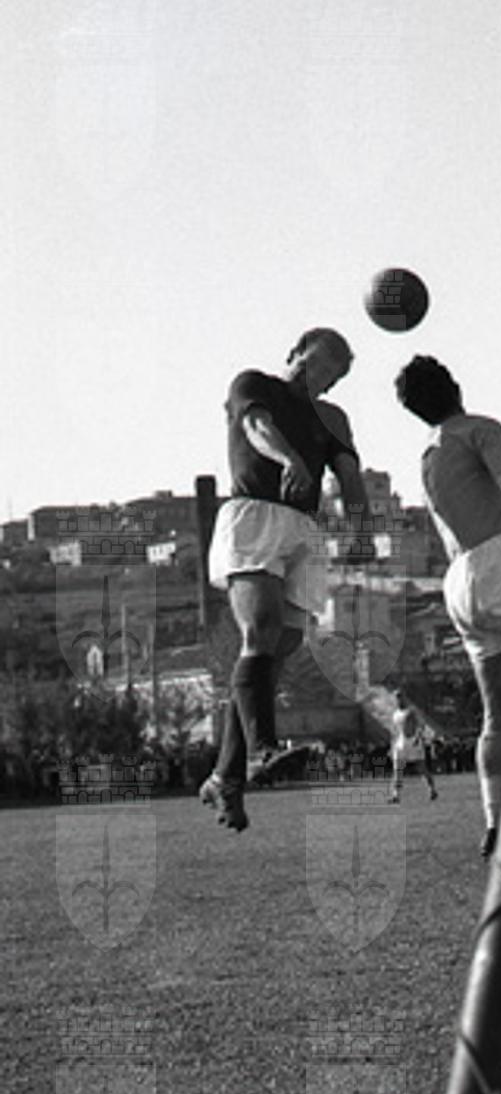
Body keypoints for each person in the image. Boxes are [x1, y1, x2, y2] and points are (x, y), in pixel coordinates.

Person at [199, 327, 369, 832]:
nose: (325, 378)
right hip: (255, 513)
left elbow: (349, 473)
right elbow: (256, 427)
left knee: (282, 646)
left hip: (305, 529)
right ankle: (262, 750)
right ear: (296, 352)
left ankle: (224, 778)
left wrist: (361, 529)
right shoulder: (254, 383)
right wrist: (289, 458)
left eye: (335, 374)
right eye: (320, 363)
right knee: (262, 629)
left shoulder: (333, 417)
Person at [396, 354, 501, 858]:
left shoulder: (428, 456)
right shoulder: (480, 429)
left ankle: (495, 821)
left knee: (498, 716)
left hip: (460, 583)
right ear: (456, 386)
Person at [386, 691, 439, 804]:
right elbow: (394, 732)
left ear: (404, 698)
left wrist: (418, 738)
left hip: (413, 743)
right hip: (400, 745)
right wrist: (392, 746)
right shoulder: (395, 714)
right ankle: (396, 796)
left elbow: (422, 725)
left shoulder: (411, 711)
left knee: (422, 769)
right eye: (397, 698)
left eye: (400, 697)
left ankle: (432, 790)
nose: (399, 700)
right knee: (397, 770)